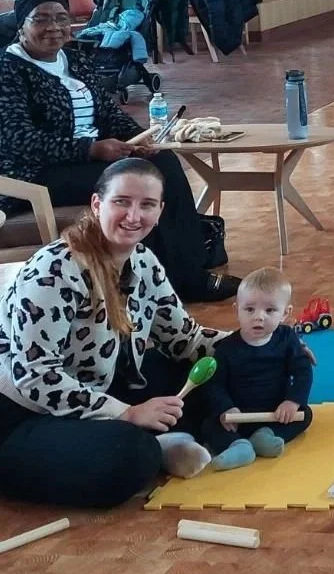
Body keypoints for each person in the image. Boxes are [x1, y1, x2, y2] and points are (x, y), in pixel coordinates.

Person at [0, 159, 226, 508]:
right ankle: (150, 445)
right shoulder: (53, 269)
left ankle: (152, 441)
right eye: (122, 201)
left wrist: (267, 343)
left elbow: (187, 340)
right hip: (22, 412)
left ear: (160, 210)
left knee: (216, 377)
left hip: (94, 389)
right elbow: (36, 377)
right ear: (96, 204)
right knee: (126, 458)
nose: (134, 216)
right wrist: (126, 414)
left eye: (146, 205)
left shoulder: (145, 262)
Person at [0, 0, 239, 302]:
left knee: (161, 163)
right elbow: (18, 140)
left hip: (82, 161)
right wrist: (91, 149)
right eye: (41, 19)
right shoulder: (9, 69)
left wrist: (137, 138)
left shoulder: (75, 60)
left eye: (61, 17)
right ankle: (175, 281)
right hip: (34, 173)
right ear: (22, 25)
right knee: (137, 181)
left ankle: (181, 270)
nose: (54, 27)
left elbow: (108, 112)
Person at [199, 267, 314, 471]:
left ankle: (267, 436)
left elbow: (303, 371)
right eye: (249, 309)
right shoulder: (226, 348)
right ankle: (238, 446)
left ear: (285, 313)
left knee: (305, 414)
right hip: (237, 417)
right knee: (208, 425)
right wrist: (225, 407)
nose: (259, 317)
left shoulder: (287, 339)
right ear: (236, 310)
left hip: (276, 413)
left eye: (270, 310)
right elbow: (215, 384)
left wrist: (292, 401)